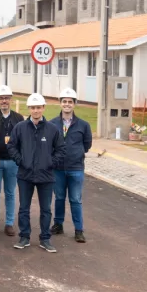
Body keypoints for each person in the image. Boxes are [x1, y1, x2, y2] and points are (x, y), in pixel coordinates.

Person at [8, 93, 66, 253]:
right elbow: (11, 146)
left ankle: (45, 239)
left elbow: (61, 149)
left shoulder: (52, 129)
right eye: (33, 107)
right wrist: (20, 160)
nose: (36, 110)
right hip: (25, 175)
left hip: (46, 176)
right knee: (24, 208)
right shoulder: (20, 127)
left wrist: (51, 163)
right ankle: (24, 237)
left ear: (43, 108)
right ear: (29, 109)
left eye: (38, 107)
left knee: (46, 209)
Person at [50, 88, 92, 243]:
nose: (67, 104)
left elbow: (87, 145)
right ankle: (58, 224)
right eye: (64, 101)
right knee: (59, 197)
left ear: (74, 104)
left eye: (70, 102)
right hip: (58, 168)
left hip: (76, 168)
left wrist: (76, 153)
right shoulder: (52, 124)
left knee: (75, 199)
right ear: (60, 103)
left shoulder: (83, 125)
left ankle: (78, 230)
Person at [0, 85, 23, 237]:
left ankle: (9, 223)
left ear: (11, 100)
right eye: (1, 99)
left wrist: (19, 159)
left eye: (6, 98)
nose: (4, 101)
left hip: (12, 162)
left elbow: (22, 140)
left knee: (10, 193)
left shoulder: (18, 118)